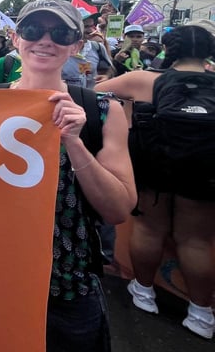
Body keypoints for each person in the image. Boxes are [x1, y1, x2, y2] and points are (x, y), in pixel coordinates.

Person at [0, 0, 136, 351]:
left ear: (77, 45)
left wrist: (75, 144)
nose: (46, 40)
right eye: (34, 30)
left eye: (61, 32)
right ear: (17, 39)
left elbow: (119, 209)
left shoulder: (101, 111)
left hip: (65, 287)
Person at [95, 25, 215, 339]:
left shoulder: (144, 79)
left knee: (149, 228)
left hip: (153, 166)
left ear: (168, 50)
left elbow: (94, 91)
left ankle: (144, 293)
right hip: (206, 170)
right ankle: (202, 314)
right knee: (197, 240)